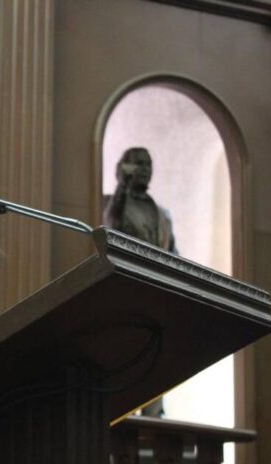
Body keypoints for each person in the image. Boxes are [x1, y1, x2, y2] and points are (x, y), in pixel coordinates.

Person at [103, 147, 176, 417]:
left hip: (158, 297)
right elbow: (111, 225)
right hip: (126, 296)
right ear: (124, 167)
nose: (145, 169)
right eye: (139, 163)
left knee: (157, 362)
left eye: (148, 163)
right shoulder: (114, 204)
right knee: (126, 357)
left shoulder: (162, 214)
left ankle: (155, 415)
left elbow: (174, 254)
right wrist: (122, 186)